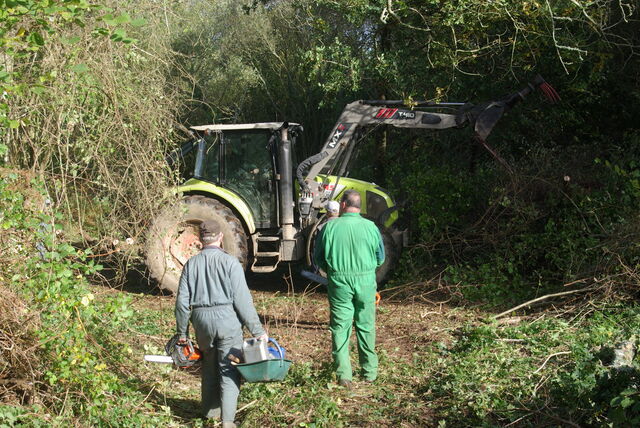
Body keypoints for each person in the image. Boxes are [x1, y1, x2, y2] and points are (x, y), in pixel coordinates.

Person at [175, 220, 267, 427]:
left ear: (199, 240)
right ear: (220, 238)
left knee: (208, 366)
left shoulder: (191, 264)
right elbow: (243, 301)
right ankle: (227, 421)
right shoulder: (230, 263)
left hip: (201, 321)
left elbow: (182, 303)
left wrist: (182, 333)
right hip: (227, 320)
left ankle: (209, 414)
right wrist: (257, 331)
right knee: (229, 369)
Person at [313, 189, 385, 388]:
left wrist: (333, 271)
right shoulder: (371, 227)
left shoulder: (329, 227)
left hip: (339, 282)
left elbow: (318, 258)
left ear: (343, 205)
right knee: (366, 325)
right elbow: (381, 258)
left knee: (340, 327)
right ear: (359, 206)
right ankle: (369, 372)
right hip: (365, 281)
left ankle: (344, 374)